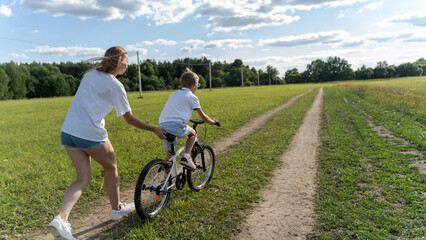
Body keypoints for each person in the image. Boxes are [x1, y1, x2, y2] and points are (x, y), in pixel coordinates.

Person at [47, 46, 166, 240]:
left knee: (82, 179)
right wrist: (154, 129)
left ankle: (61, 219)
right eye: (126, 61)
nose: (128, 66)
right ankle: (116, 209)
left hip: (68, 132)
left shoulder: (91, 74)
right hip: (91, 134)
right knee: (111, 168)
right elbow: (129, 119)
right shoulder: (114, 85)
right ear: (120, 62)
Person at [159, 68, 218, 170]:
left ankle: (165, 180)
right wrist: (212, 122)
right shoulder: (192, 96)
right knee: (193, 133)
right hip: (176, 125)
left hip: (162, 125)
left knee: (170, 153)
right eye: (198, 86)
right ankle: (186, 156)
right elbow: (203, 116)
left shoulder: (173, 94)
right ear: (194, 86)